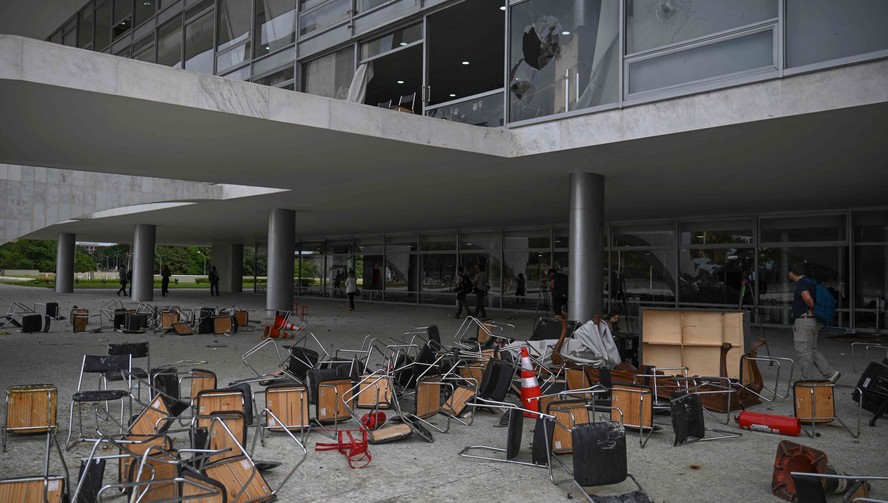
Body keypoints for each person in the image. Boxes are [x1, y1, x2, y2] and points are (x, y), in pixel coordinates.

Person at [788, 262, 840, 383]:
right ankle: (831, 373)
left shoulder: (801, 284)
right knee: (812, 350)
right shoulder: (810, 281)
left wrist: (813, 308)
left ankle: (806, 380)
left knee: (803, 352)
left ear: (791, 273)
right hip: (813, 322)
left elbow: (806, 298)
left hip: (804, 322)